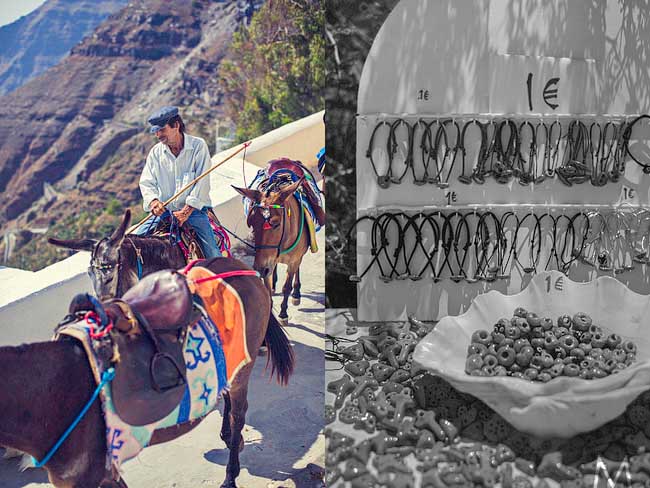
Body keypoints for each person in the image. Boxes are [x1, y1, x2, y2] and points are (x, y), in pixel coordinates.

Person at [135, 106, 222, 258]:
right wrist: (154, 202)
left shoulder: (198, 146)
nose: (158, 135)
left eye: (161, 130)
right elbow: (146, 182)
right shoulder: (156, 153)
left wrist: (186, 211)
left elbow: (202, 182)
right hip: (164, 213)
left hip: (194, 212)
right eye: (155, 131)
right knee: (134, 243)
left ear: (176, 125)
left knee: (213, 255)